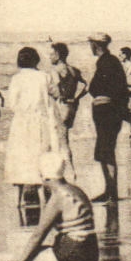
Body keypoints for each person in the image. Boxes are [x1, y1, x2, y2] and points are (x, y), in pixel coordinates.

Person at [3, 46, 65, 225]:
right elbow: (57, 94)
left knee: (21, 159)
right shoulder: (44, 76)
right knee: (41, 158)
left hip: (21, 123)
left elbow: (12, 104)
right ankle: (44, 196)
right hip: (41, 121)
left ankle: (20, 199)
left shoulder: (16, 79)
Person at [86, 33, 130, 202]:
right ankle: (110, 190)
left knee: (106, 150)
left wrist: (123, 112)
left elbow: (96, 88)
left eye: (91, 44)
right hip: (110, 111)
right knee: (105, 150)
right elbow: (121, 89)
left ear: (95, 45)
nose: (90, 47)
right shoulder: (110, 61)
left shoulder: (106, 62)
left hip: (107, 112)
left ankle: (111, 191)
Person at [47, 42, 83, 170]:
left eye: (51, 54)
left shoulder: (55, 70)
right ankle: (69, 169)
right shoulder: (74, 70)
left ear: (58, 55)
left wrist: (52, 93)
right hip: (71, 106)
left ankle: (69, 170)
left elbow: (56, 89)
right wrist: (77, 97)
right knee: (64, 139)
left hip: (60, 106)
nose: (49, 57)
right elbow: (87, 85)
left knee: (60, 141)